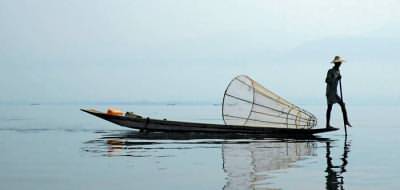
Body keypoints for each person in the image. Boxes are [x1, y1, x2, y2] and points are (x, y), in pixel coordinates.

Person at [325, 56, 352, 128]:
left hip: (335, 92)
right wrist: (335, 78)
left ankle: (346, 121)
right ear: (335, 63)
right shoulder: (330, 71)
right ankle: (327, 125)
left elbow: (337, 78)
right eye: (338, 63)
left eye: (340, 63)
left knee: (343, 105)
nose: (339, 64)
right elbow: (327, 80)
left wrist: (339, 77)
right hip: (330, 92)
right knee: (329, 108)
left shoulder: (338, 71)